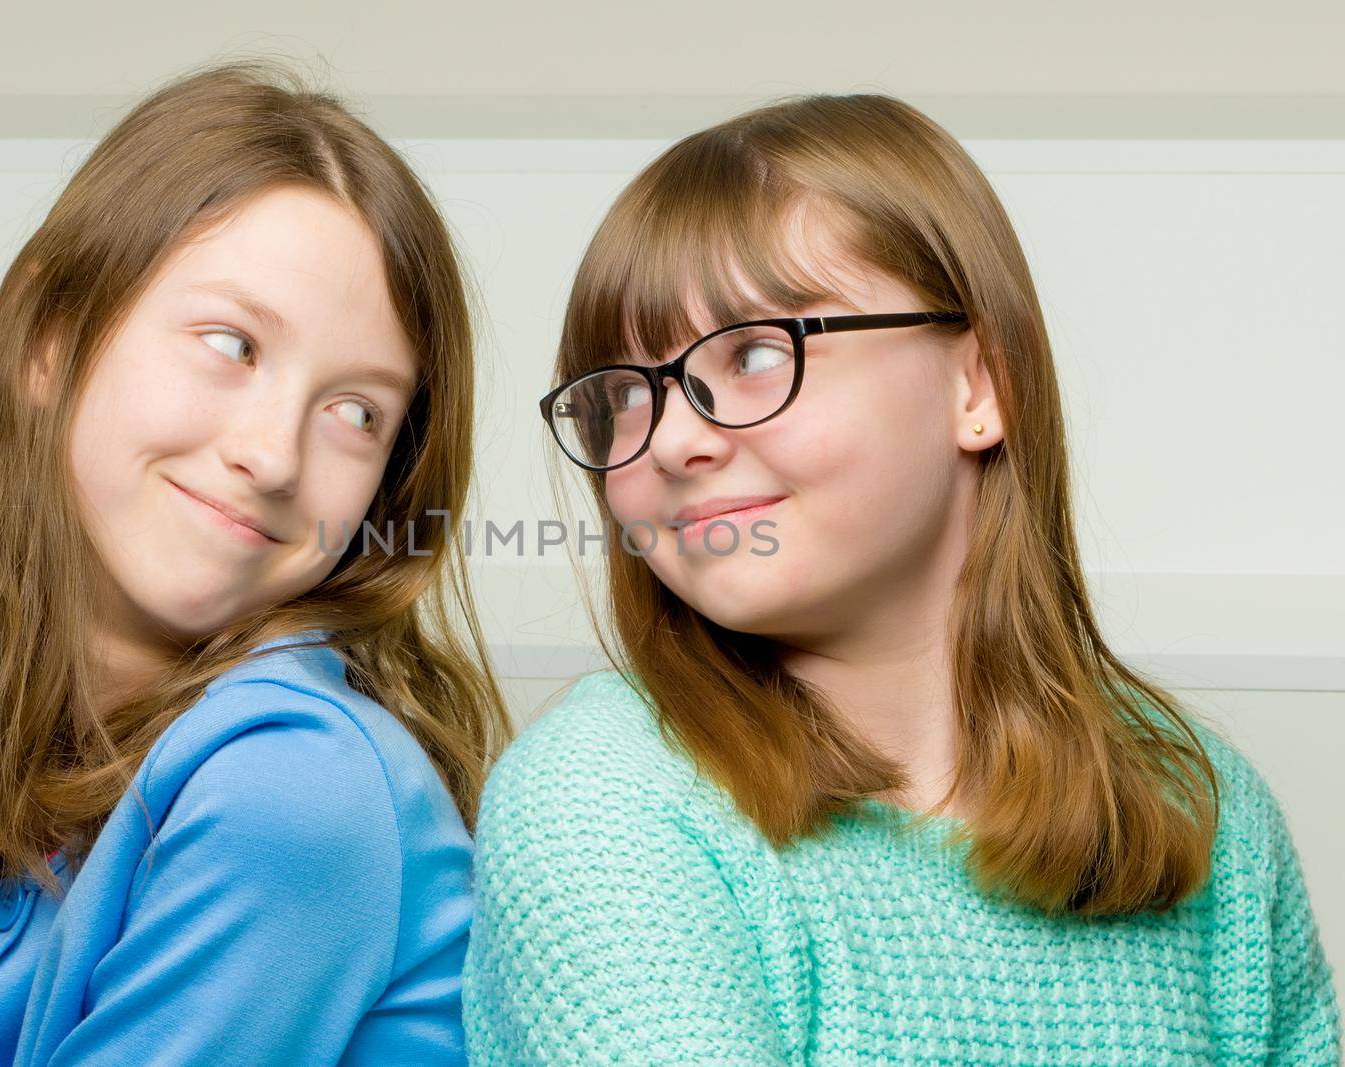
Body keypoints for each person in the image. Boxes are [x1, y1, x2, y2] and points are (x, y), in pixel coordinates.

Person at [462, 93, 1341, 1064]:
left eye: (755, 352)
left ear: (979, 385)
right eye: (623, 395)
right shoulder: (602, 799)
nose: (669, 440)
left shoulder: (1211, 814)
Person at [0, 57, 509, 1066]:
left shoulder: (295, 783)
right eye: (230, 343)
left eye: (355, 411)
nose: (272, 455)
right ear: (49, 340)